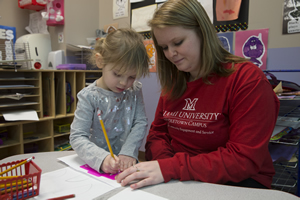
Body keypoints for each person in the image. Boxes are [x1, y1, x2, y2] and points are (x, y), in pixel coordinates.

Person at [115, 0, 280, 190]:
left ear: (203, 32)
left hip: (236, 182)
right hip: (183, 178)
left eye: (177, 42)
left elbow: (243, 160)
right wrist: (166, 168)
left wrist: (172, 168)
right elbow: (158, 135)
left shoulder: (247, 79)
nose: (171, 54)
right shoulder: (175, 81)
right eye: (164, 47)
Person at [70, 28, 149, 174]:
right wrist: (102, 158)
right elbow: (77, 136)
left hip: (126, 164)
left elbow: (140, 122)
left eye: (132, 77)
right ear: (100, 61)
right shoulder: (89, 96)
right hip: (95, 166)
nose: (124, 83)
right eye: (117, 74)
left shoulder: (134, 90)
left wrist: (128, 152)